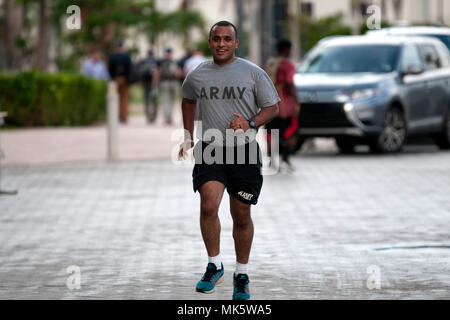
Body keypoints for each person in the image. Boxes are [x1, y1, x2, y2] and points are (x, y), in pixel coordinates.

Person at [178, 21, 279, 300]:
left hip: (244, 152)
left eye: (227, 39)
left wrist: (249, 122)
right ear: (209, 42)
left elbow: (272, 107)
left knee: (241, 215)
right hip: (210, 148)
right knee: (209, 205)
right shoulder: (197, 75)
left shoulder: (253, 73)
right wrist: (188, 135)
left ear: (235, 43)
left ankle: (242, 273)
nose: (221, 43)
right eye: (216, 38)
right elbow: (187, 100)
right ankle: (214, 264)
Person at [264, 39, 301, 172]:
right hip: (284, 105)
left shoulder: (269, 63)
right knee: (288, 133)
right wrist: (297, 102)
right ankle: (285, 159)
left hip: (268, 104)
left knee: (272, 132)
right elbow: (290, 84)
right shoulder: (287, 65)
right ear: (287, 50)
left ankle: (273, 161)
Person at [108, 40, 132, 123]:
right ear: (123, 47)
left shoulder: (113, 57)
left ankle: (116, 115)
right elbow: (130, 69)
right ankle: (124, 116)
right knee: (125, 99)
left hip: (115, 80)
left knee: (115, 98)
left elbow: (110, 69)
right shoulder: (127, 57)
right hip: (125, 79)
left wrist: (113, 78)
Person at [158, 48, 181, 125]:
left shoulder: (161, 62)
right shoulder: (174, 62)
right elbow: (177, 73)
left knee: (165, 100)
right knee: (172, 101)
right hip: (173, 82)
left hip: (164, 82)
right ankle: (169, 118)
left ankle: (166, 118)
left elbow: (158, 72)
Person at [138, 49, 160, 123]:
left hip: (145, 82)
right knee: (154, 99)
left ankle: (147, 116)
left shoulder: (143, 61)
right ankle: (154, 115)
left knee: (146, 99)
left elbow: (140, 72)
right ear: (153, 54)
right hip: (154, 82)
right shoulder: (155, 61)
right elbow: (157, 72)